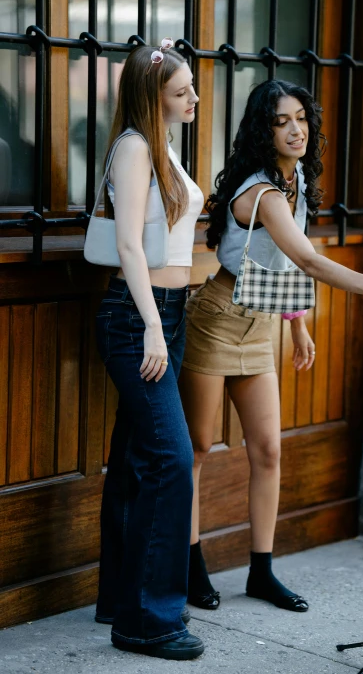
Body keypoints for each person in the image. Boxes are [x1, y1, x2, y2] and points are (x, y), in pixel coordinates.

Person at [179, 79, 363, 614]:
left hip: (262, 322)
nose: (296, 130)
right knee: (196, 451)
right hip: (217, 319)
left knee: (268, 449)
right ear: (264, 132)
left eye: (302, 119)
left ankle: (261, 572)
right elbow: (307, 259)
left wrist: (296, 323)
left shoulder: (298, 179)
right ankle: (189, 565)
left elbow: (283, 267)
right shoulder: (261, 191)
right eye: (282, 121)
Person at [92, 40, 205, 660]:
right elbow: (132, 247)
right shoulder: (135, 148)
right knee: (173, 459)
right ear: (152, 94)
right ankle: (149, 621)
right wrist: (154, 328)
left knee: (139, 458)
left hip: (168, 313)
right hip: (140, 318)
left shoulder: (160, 144)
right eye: (181, 90)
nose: (193, 98)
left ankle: (120, 598)